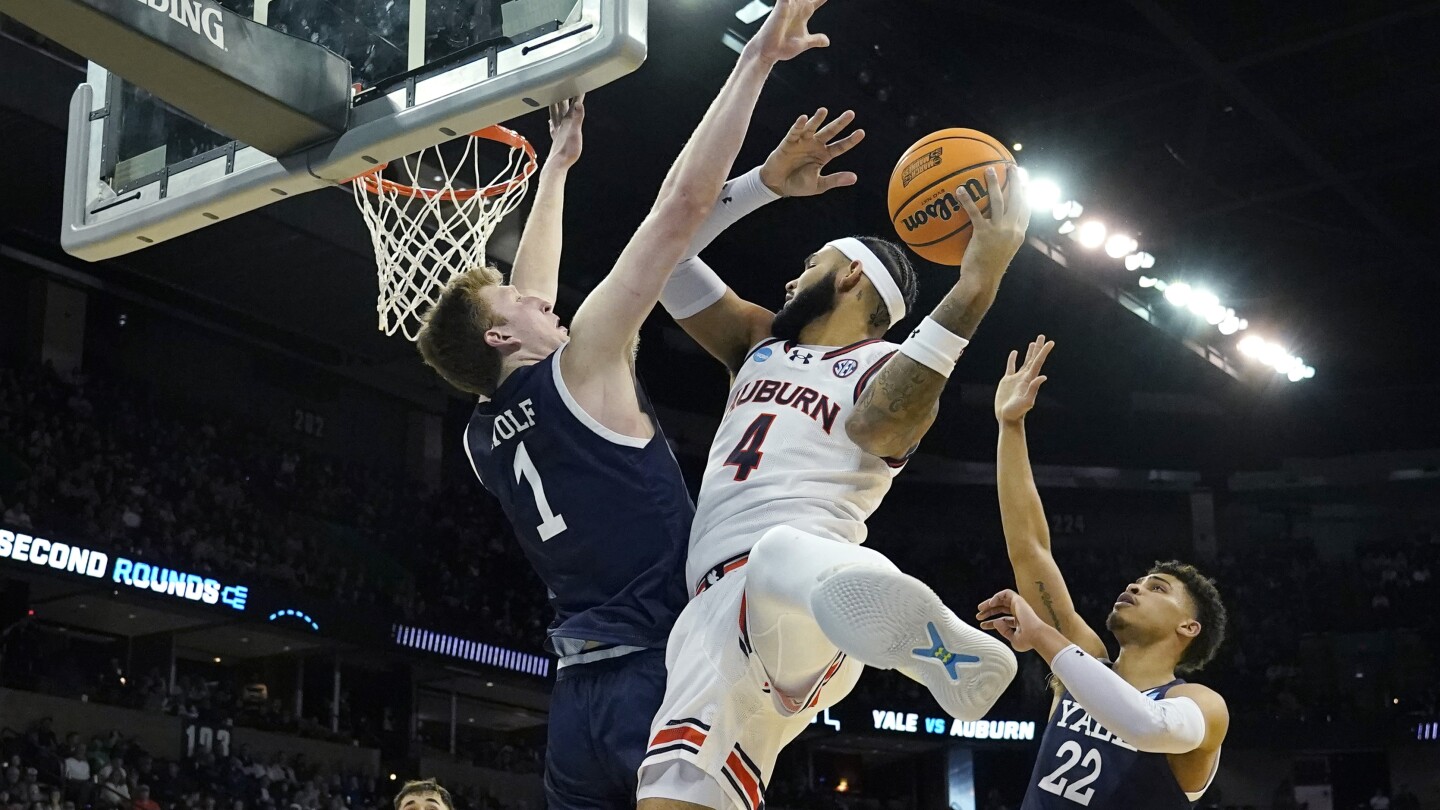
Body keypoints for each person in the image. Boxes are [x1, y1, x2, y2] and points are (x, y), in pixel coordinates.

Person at [412, 2, 836, 806]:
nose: (546, 304)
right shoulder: (584, 365)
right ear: (503, 340)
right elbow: (678, 210)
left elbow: (528, 295)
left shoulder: (482, 433)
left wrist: (557, 172)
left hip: (577, 701)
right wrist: (755, 64)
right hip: (661, 670)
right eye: (521, 306)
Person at [637, 78, 1032, 810]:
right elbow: (659, 250)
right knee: (670, 798)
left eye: (811, 264)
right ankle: (898, 616)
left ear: (851, 274)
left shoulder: (891, 367)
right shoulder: (754, 343)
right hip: (713, 614)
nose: (792, 276)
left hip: (803, 601)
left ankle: (922, 633)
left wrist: (976, 286)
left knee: (782, 551)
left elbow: (879, 427)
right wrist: (761, 184)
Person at [976, 336, 1230, 808]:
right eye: (1138, 580)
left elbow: (1147, 725)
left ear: (1188, 627)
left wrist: (1045, 640)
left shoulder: (1202, 704)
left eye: (1157, 588)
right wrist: (1010, 426)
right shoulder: (1084, 663)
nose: (1135, 585)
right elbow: (1029, 549)